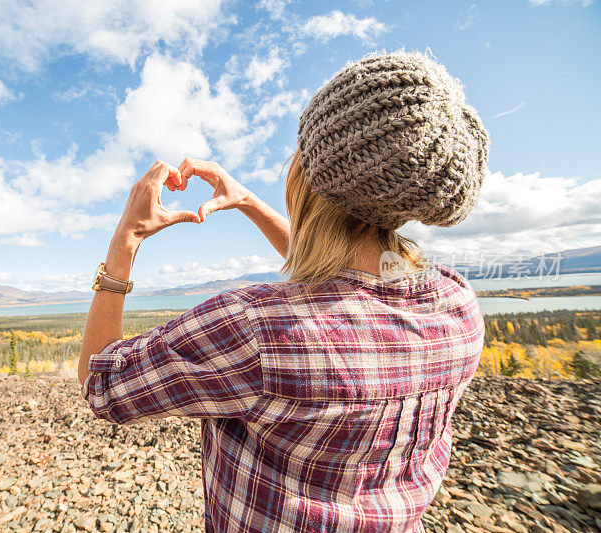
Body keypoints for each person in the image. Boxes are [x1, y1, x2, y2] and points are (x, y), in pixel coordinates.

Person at [78, 50, 490, 532]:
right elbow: (347, 279)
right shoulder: (455, 305)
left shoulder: (255, 329)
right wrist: (249, 201)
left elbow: (101, 386)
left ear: (311, 174)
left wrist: (124, 239)